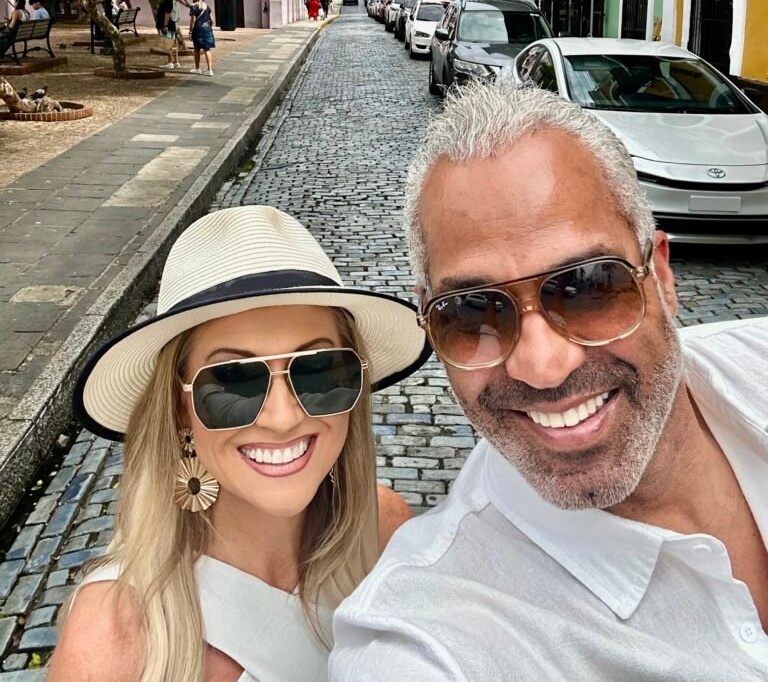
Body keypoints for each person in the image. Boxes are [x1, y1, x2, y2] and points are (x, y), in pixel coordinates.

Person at [330, 81, 768, 681]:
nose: (543, 365)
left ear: (660, 276)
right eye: (473, 312)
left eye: (589, 287)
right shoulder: (427, 642)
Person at [51, 205, 430, 682]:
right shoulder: (114, 636)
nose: (283, 417)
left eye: (318, 369)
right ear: (177, 407)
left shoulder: (384, 533)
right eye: (232, 380)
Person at [189, 0, 215, 76]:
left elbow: (193, 20)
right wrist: (209, 27)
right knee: (207, 49)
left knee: (196, 49)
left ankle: (197, 68)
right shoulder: (207, 7)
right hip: (207, 29)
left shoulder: (193, 6)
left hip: (198, 29)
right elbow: (212, 20)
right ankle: (210, 70)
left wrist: (190, 31)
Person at [156, 0, 180, 70]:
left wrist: (165, 25)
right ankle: (176, 62)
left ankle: (170, 62)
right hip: (171, 24)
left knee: (168, 43)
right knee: (172, 43)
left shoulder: (167, 0)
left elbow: (167, 13)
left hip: (167, 25)